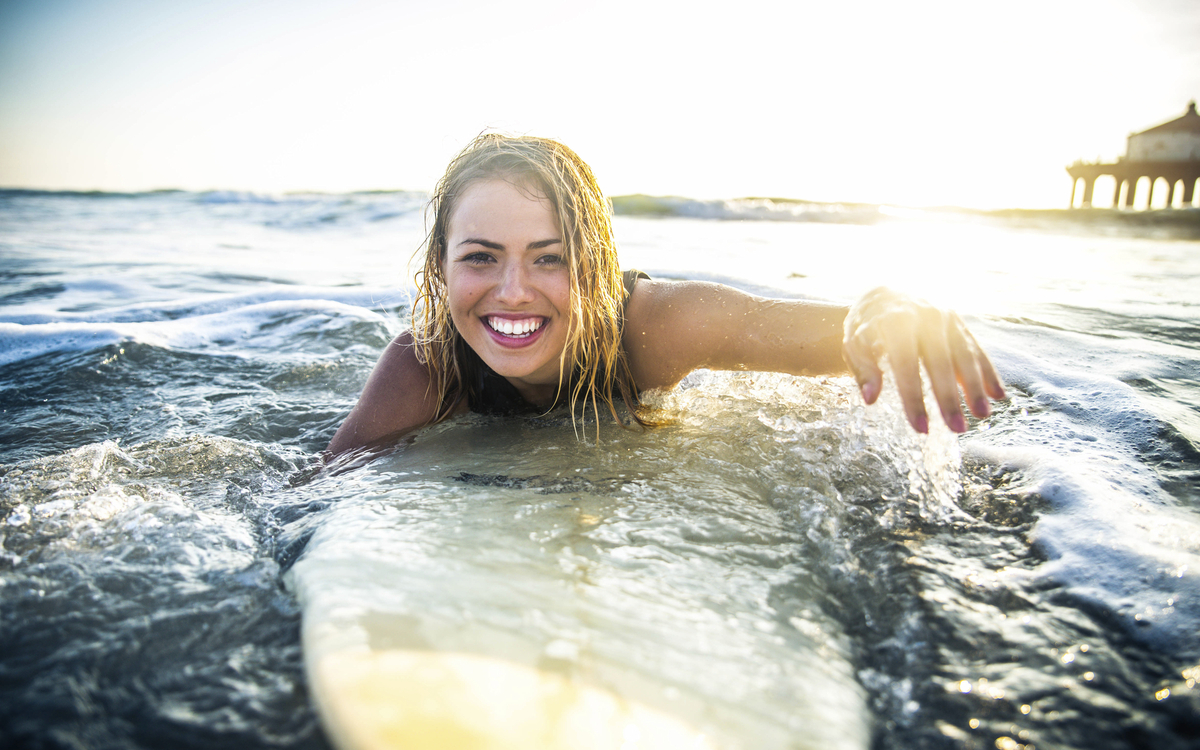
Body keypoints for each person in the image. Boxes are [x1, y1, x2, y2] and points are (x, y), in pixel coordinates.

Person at [326, 134, 1005, 456]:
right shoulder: (426, 365)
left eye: (550, 259)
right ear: (440, 270)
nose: (513, 292)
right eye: (480, 258)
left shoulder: (658, 326)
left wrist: (891, 312)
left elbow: (854, 336)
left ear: (596, 267)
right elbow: (321, 490)